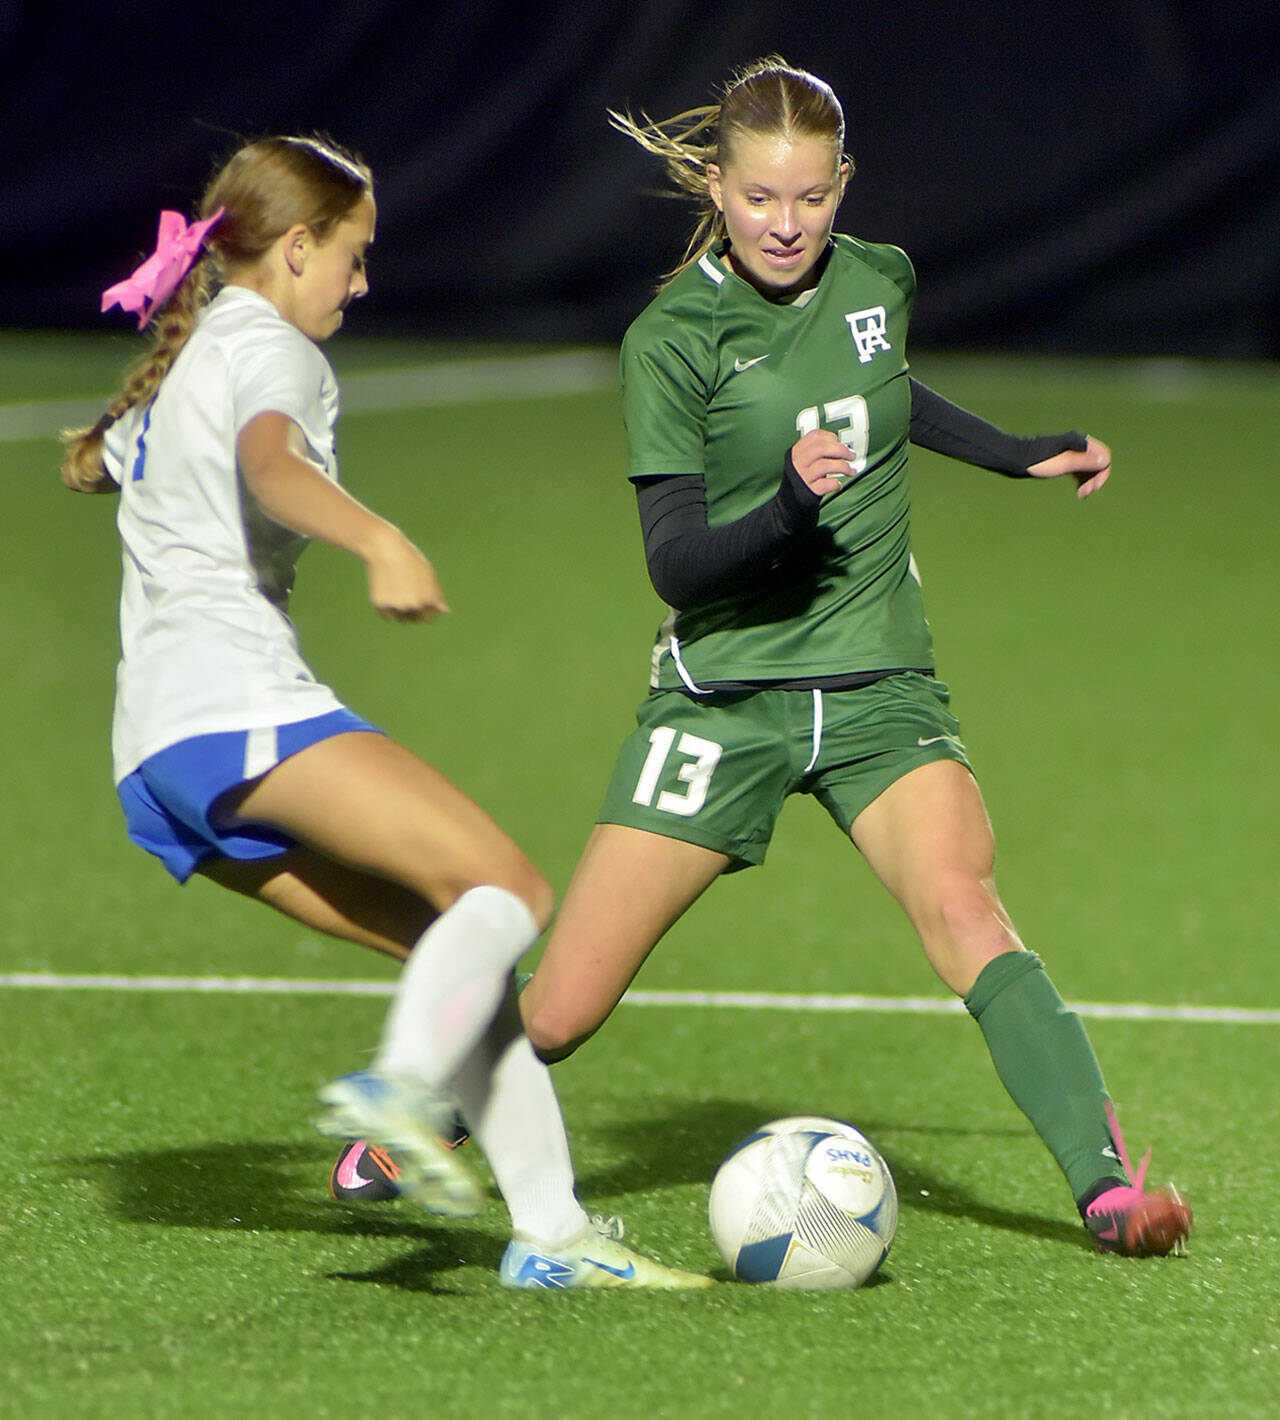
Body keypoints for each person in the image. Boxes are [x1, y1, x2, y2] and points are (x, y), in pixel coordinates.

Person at [515, 59, 1191, 1259]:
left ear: (842, 187)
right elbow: (674, 563)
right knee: (562, 1010)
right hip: (725, 696)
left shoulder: (880, 278)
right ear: (716, 188)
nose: (788, 224)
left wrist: (1011, 452)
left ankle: (1105, 1188)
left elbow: (882, 387)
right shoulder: (672, 340)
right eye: (762, 198)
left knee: (965, 909)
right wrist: (784, 505)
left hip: (881, 685)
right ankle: (427, 1111)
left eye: (811, 197)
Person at [61, 133, 710, 1290]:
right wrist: (376, 534)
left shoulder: (195, 347)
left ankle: (554, 1237)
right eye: (352, 259)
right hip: (232, 707)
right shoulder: (272, 348)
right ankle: (402, 1092)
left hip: (150, 753)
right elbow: (268, 462)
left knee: (450, 949)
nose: (362, 286)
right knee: (507, 889)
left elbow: (112, 459)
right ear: (296, 248)